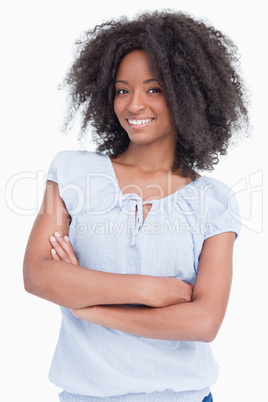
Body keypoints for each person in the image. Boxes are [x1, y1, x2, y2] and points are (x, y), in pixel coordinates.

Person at [23, 10, 248, 402]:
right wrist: (149, 290)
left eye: (154, 89)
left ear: (188, 95)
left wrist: (87, 306)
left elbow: (203, 321)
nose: (133, 105)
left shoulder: (212, 200)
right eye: (122, 89)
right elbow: (37, 275)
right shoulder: (73, 173)